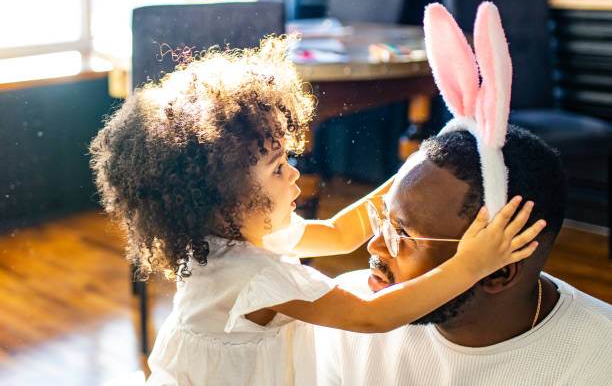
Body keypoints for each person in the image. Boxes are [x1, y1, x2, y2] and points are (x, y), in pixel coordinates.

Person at [89, 36, 543, 385]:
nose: (294, 176)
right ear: (225, 198)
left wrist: (420, 163)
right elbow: (373, 316)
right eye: (277, 168)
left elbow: (342, 233)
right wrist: (471, 264)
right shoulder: (252, 276)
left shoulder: (241, 232)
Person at [315, 2, 612, 386]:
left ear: (499, 270)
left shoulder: (596, 364)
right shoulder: (350, 314)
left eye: (402, 235)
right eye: (382, 221)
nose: (375, 248)